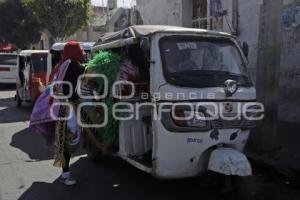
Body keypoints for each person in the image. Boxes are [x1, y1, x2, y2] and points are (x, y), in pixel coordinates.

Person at [30, 40, 85, 186]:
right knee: (68, 139)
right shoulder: (73, 65)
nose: (83, 53)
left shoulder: (61, 65)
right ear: (74, 52)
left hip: (60, 107)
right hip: (65, 109)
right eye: (80, 50)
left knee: (65, 139)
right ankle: (65, 175)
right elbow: (84, 72)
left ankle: (65, 172)